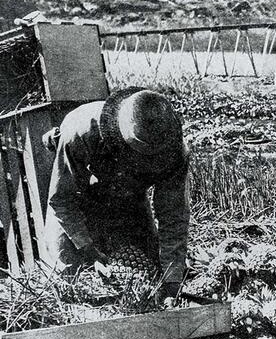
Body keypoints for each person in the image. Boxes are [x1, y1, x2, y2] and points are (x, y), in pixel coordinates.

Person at [43, 87, 190, 298]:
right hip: (79, 197)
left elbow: (174, 217)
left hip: (130, 199)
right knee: (66, 277)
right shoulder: (82, 130)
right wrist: (87, 249)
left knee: (148, 274)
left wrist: (172, 279)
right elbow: (62, 200)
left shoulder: (175, 154)